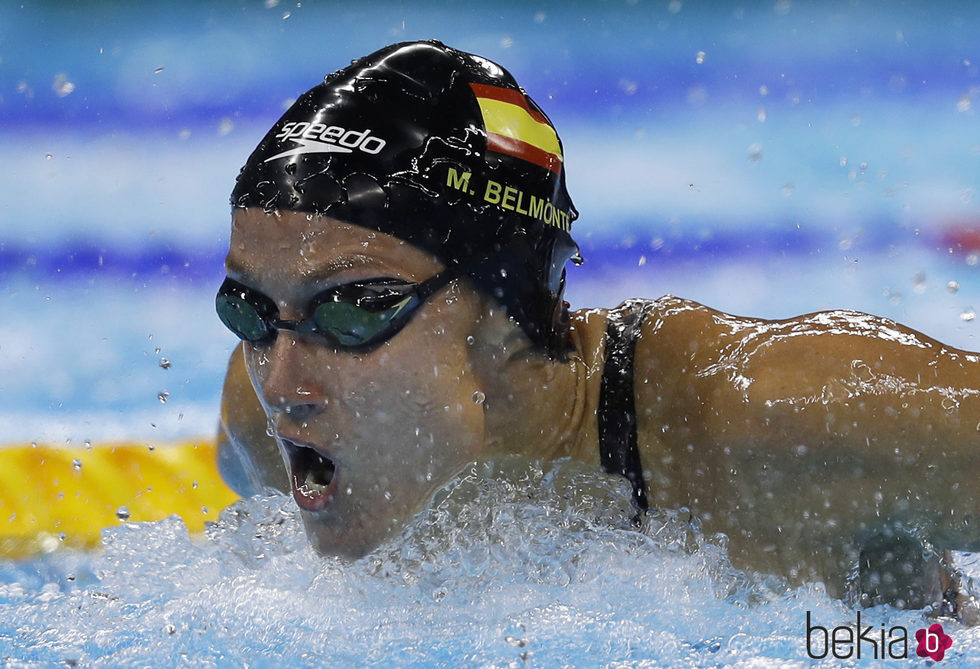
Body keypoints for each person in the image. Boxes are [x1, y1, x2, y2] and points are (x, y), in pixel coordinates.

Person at [215, 40, 980, 614]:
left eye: (351, 311)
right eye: (247, 311)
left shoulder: (774, 421)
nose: (283, 385)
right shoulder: (262, 425)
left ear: (504, 311)